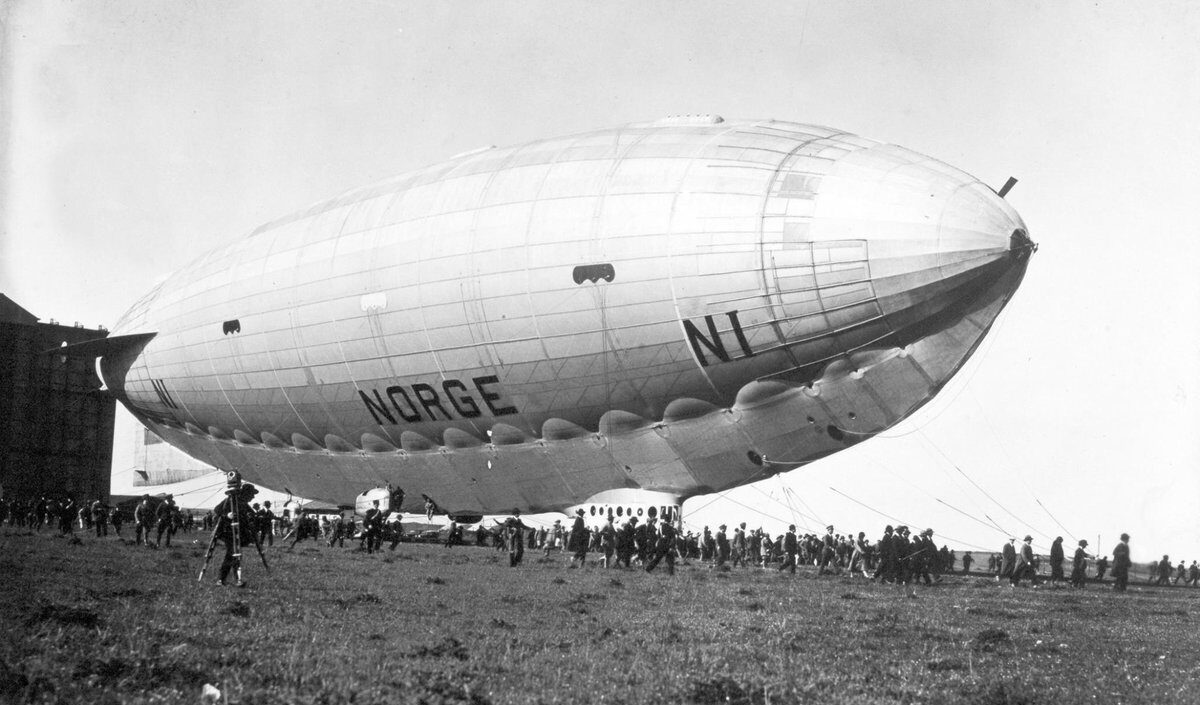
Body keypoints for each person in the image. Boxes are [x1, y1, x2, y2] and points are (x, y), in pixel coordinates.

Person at [211, 480, 261, 587]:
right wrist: (227, 515)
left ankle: (231, 579)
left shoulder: (244, 504)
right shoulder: (231, 500)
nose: (253, 497)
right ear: (245, 493)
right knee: (232, 554)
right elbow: (217, 510)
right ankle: (224, 579)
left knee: (234, 554)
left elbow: (251, 514)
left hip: (237, 532)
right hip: (227, 532)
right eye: (251, 494)